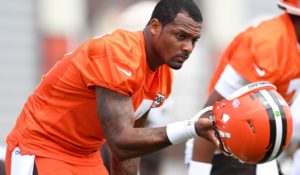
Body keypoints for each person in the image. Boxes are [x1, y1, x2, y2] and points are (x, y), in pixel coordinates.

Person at [5, 0, 219, 175]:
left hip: (86, 155)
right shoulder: (118, 53)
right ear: (154, 27)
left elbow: (132, 144)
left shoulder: (162, 75)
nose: (188, 47)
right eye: (181, 36)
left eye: (194, 40)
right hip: (41, 147)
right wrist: (192, 128)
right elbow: (120, 140)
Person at [186, 0, 300, 175]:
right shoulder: (268, 44)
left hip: (263, 149)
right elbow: (209, 115)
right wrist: (198, 171)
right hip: (223, 148)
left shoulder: (291, 42)